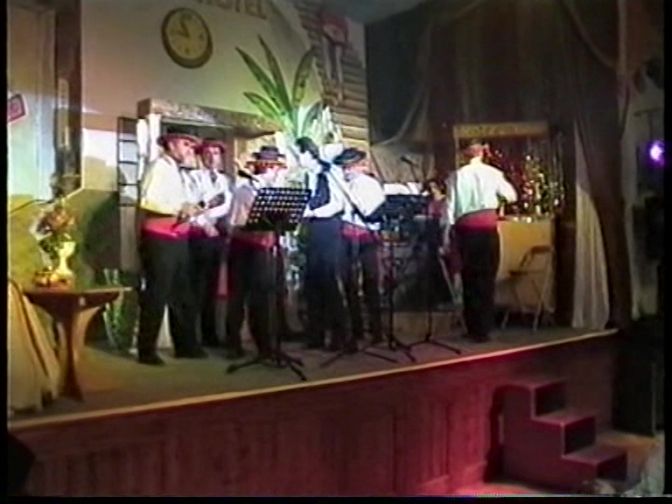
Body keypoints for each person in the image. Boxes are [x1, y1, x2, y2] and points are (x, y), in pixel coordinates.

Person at [136, 131, 207, 365]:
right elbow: (147, 201)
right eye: (186, 144)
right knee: (157, 293)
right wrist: (179, 209)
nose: (189, 150)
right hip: (160, 238)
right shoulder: (157, 167)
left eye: (191, 146)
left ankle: (186, 345)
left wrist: (190, 208)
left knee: (182, 293)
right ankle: (146, 350)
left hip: (178, 237)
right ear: (171, 144)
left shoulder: (177, 171)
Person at [442, 140, 517, 343]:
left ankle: (473, 327)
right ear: (482, 152)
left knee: (469, 279)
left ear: (463, 154)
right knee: (487, 278)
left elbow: (449, 208)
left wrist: (446, 235)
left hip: (466, 231)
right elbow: (511, 196)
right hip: (487, 229)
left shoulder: (456, 176)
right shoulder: (493, 173)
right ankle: (485, 327)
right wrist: (497, 200)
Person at [224, 146, 287, 360]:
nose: (273, 170)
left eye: (275, 166)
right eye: (269, 166)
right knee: (238, 296)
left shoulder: (277, 191)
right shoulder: (244, 189)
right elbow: (235, 222)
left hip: (266, 248)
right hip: (243, 246)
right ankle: (233, 343)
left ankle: (264, 344)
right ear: (261, 166)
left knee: (263, 296)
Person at [296, 137, 354, 353]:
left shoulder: (330, 173)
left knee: (329, 282)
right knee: (312, 283)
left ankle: (341, 336)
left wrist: (312, 212)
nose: (297, 159)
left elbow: (338, 203)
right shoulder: (308, 176)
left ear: (308, 153)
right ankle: (315, 334)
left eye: (298, 154)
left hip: (328, 228)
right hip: (313, 230)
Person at [338, 148, 385, 344]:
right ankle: (357, 329)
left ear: (358, 166)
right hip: (347, 238)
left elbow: (372, 212)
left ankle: (376, 329)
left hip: (365, 236)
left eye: (348, 167)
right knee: (350, 283)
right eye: (344, 167)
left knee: (370, 282)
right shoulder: (343, 184)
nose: (346, 171)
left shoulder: (369, 184)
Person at [190, 139, 233, 347]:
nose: (212, 157)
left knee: (212, 286)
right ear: (201, 156)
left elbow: (227, 205)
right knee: (197, 286)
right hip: (199, 234)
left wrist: (213, 217)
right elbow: (191, 206)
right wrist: (204, 222)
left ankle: (210, 334)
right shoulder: (193, 177)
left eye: (216, 153)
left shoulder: (224, 180)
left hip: (218, 234)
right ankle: (193, 336)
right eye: (208, 153)